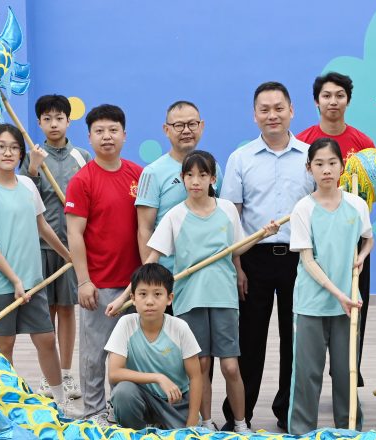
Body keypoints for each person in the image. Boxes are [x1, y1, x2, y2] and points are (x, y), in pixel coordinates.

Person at [108, 150, 279, 433]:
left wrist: (263, 235)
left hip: (224, 297)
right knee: (201, 365)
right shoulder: (175, 216)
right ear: (182, 178)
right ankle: (206, 423)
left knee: (231, 367)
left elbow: (237, 248)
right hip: (189, 298)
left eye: (202, 175)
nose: (195, 181)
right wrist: (124, 296)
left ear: (213, 178)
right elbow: (152, 259)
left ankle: (241, 424)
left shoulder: (227, 209)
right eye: (189, 175)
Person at [219, 81, 315, 431]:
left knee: (295, 340)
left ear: (292, 110)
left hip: (298, 258)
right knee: (249, 340)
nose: (272, 115)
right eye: (265, 109)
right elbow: (232, 217)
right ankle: (238, 416)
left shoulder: (310, 156)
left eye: (279, 108)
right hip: (253, 259)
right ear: (254, 115)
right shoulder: (241, 158)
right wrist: (237, 265)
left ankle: (289, 413)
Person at [0, 123, 79, 417]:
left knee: (46, 340)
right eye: (1, 146)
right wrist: (14, 279)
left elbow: (42, 226)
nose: (7, 152)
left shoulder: (28, 186)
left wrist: (68, 255)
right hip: (0, 283)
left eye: (14, 147)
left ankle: (60, 404)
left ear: (21, 153)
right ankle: (7, 407)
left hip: (33, 280)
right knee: (4, 346)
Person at [287, 138, 373, 434]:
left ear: (342, 166)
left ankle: (350, 429)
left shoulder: (356, 205)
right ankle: (301, 431)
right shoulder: (303, 208)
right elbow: (308, 261)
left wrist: (361, 256)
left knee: (347, 372)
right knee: (307, 374)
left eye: (332, 163)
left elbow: (368, 239)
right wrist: (339, 294)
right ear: (309, 168)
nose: (326, 170)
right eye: (319, 164)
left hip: (349, 304)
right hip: (312, 303)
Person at [296, 71, 375, 386]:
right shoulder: (302, 141)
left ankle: (348, 378)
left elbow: (373, 191)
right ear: (316, 101)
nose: (333, 101)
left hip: (352, 242)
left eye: (339, 95)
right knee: (314, 314)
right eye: (326, 95)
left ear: (348, 101)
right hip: (316, 241)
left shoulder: (364, 144)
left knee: (355, 309)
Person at [65, 104, 143, 423]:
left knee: (133, 355)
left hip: (136, 286)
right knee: (94, 355)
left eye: (113, 130)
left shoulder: (139, 175)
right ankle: (94, 413)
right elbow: (74, 234)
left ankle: (124, 411)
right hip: (99, 286)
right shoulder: (82, 180)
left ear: (124, 135)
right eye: (99, 131)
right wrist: (84, 281)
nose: (107, 136)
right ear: (89, 137)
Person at [22, 94, 91, 400]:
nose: (53, 124)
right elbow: (25, 200)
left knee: (66, 309)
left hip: (73, 246)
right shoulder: (33, 157)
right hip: (41, 246)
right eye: (47, 119)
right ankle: (48, 377)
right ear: (39, 123)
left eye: (59, 118)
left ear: (68, 121)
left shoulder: (82, 157)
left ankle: (66, 373)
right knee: (45, 311)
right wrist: (34, 171)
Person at [104, 263, 202, 429]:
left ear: (169, 298)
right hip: (141, 397)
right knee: (123, 392)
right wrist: (158, 377)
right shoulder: (126, 324)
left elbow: (196, 377)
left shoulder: (180, 328)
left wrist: (191, 424)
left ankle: (168, 425)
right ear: (133, 298)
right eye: (143, 294)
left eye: (157, 294)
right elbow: (114, 373)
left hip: (175, 402)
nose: (150, 301)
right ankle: (137, 433)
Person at [135, 101, 222, 269]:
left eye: (192, 124)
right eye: (179, 125)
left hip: (210, 268)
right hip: (170, 272)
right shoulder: (152, 172)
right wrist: (152, 275)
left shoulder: (214, 167)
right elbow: (145, 229)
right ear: (166, 130)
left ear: (201, 126)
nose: (187, 131)